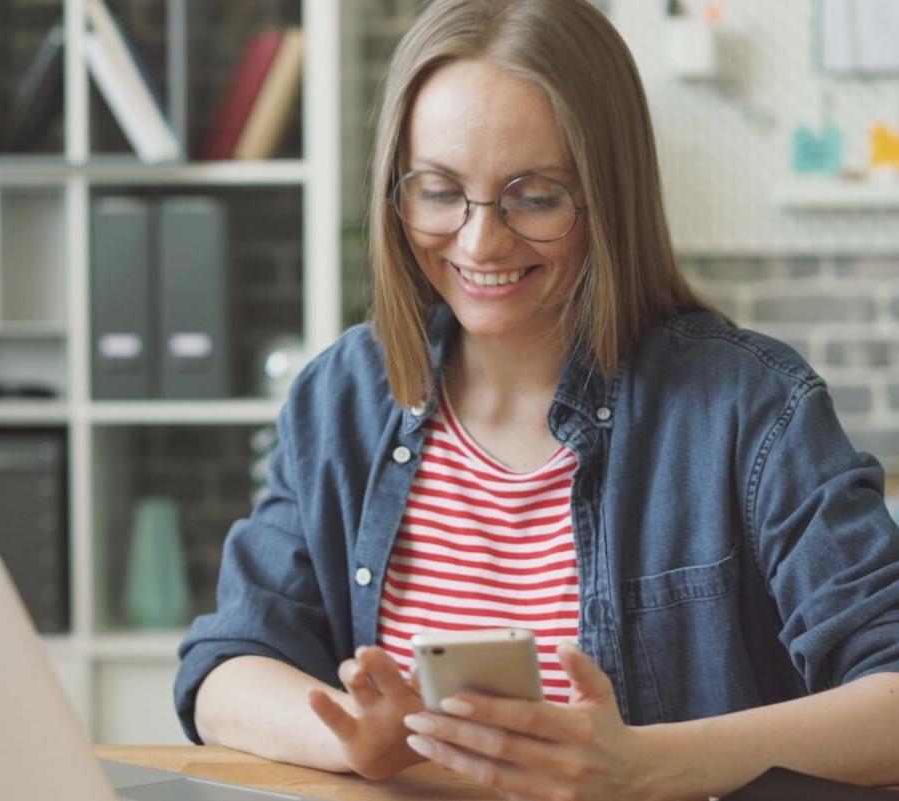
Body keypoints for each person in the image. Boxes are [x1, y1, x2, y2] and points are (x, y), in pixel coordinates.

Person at [175, 0, 899, 797]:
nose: (480, 241)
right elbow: (226, 666)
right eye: (439, 191)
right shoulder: (342, 397)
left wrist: (644, 765)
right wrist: (353, 736)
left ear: (608, 197)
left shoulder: (750, 408)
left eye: (536, 196)